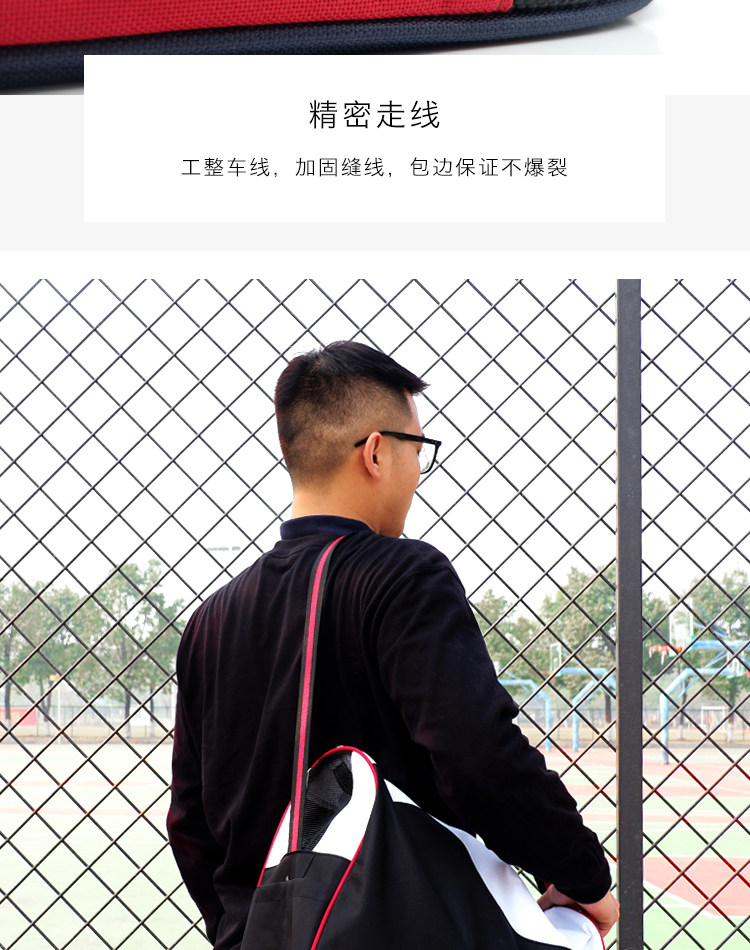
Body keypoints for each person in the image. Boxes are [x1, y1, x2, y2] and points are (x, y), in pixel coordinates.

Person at [167, 340, 619, 949]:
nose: (419, 471)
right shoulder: (402, 576)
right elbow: (478, 756)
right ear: (376, 452)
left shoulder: (211, 621)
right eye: (419, 449)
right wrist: (582, 875)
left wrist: (247, 926)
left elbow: (192, 824)